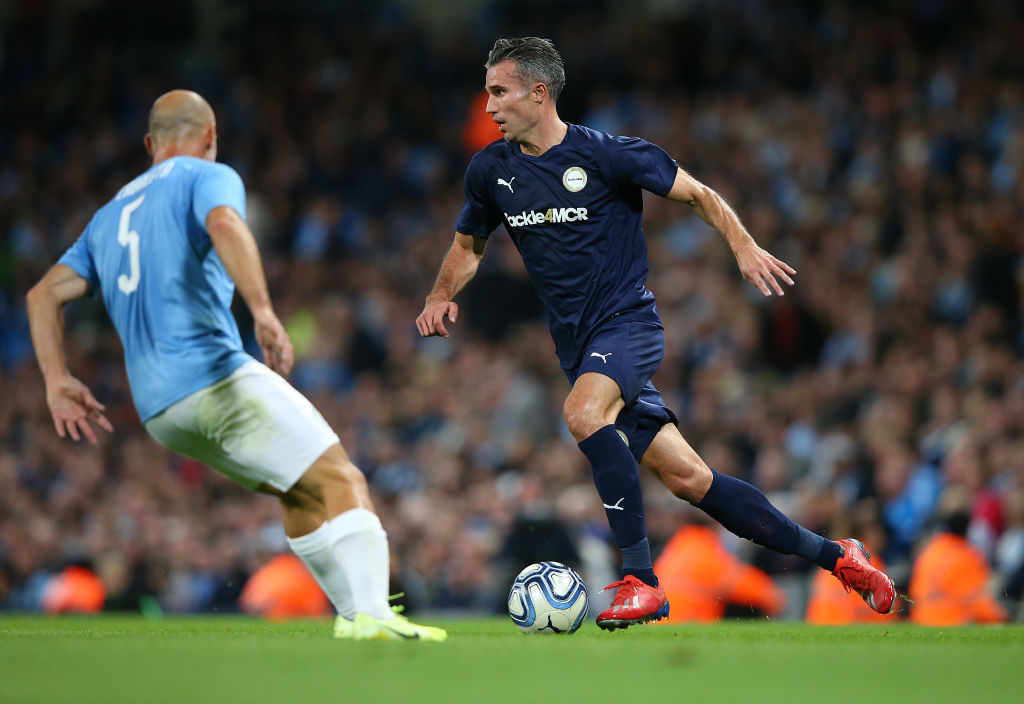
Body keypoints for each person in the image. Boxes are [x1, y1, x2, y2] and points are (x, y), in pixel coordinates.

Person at [416, 37, 897, 630]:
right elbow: (469, 245)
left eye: (499, 91)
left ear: (538, 93)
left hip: (627, 325)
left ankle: (641, 581)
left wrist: (742, 246)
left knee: (584, 414)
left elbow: (698, 193)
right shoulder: (491, 169)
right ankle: (839, 557)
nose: (488, 105)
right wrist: (441, 295)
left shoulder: (609, 155)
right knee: (691, 479)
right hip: (578, 347)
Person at [26, 90, 445, 642]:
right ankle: (376, 616)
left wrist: (57, 379)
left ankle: (352, 618)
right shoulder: (206, 174)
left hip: (159, 412)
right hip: (211, 375)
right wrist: (265, 311)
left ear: (150, 143)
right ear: (209, 135)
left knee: (298, 489)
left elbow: (42, 295)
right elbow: (224, 224)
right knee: (343, 476)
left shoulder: (106, 218)